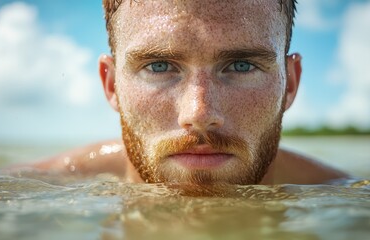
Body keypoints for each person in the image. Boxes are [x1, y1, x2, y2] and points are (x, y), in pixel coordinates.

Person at [23, 0, 348, 185]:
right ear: (111, 85)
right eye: (160, 66)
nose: (199, 113)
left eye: (241, 66)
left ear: (289, 84)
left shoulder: (354, 197)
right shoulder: (27, 189)